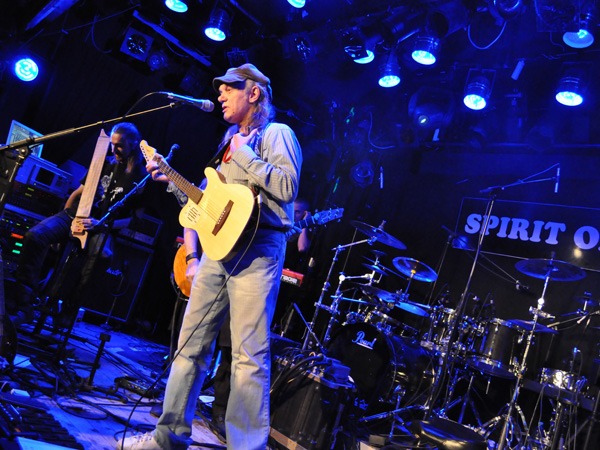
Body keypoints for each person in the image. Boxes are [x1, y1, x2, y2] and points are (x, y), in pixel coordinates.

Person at [120, 63, 302, 450]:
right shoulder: (227, 140)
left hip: (258, 250)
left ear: (254, 92)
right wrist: (171, 181)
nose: (220, 95)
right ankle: (167, 438)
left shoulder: (277, 134)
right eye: (219, 89)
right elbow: (205, 202)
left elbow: (287, 187)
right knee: (190, 347)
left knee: (248, 357)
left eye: (228, 89)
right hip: (218, 254)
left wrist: (245, 155)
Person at [11, 122, 146, 326]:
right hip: (75, 215)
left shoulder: (141, 177)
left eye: (119, 145)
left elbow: (136, 220)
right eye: (112, 144)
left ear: (134, 144)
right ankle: (24, 304)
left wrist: (102, 224)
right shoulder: (103, 163)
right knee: (34, 236)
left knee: (103, 256)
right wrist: (64, 219)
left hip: (102, 226)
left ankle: (69, 310)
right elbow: (76, 194)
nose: (114, 149)